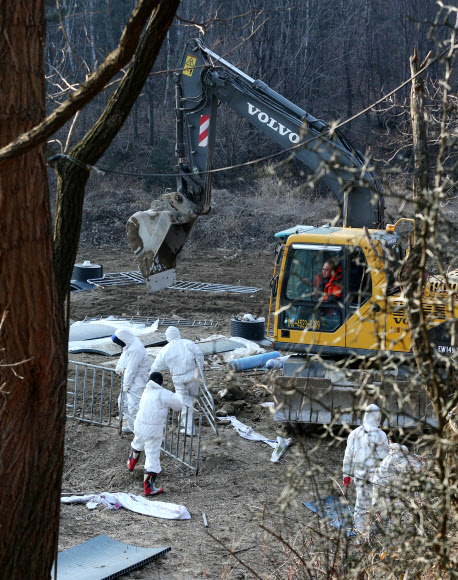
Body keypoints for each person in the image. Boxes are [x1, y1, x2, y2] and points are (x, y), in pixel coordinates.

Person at [127, 372, 183, 496]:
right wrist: (178, 394)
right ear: (162, 382)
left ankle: (131, 464)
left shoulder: (146, 391)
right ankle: (149, 488)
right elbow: (178, 406)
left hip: (139, 426)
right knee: (152, 456)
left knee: (138, 442)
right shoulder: (163, 393)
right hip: (153, 431)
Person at [342, 404, 389, 538]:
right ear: (378, 417)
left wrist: (346, 474)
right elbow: (383, 456)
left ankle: (361, 535)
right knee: (378, 503)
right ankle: (380, 533)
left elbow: (348, 456)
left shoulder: (354, 433)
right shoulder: (380, 434)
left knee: (360, 506)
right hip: (375, 477)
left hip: (360, 476)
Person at [150, 326, 204, 435]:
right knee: (191, 400)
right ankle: (186, 423)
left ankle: (188, 428)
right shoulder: (188, 343)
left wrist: (151, 378)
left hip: (179, 378)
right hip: (193, 375)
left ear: (167, 337)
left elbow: (156, 366)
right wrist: (200, 370)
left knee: (185, 402)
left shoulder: (165, 349)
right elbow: (200, 356)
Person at [372, 442, 422, 531]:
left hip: (394, 504)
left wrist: (377, 508)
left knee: (396, 533)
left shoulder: (386, 462)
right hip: (413, 503)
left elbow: (377, 485)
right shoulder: (417, 460)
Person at [112, 328, 150, 433]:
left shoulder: (136, 349)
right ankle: (132, 427)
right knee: (122, 403)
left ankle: (141, 431)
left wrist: (126, 384)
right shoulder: (130, 344)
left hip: (137, 381)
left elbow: (131, 369)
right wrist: (119, 366)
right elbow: (124, 355)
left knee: (134, 407)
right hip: (130, 380)